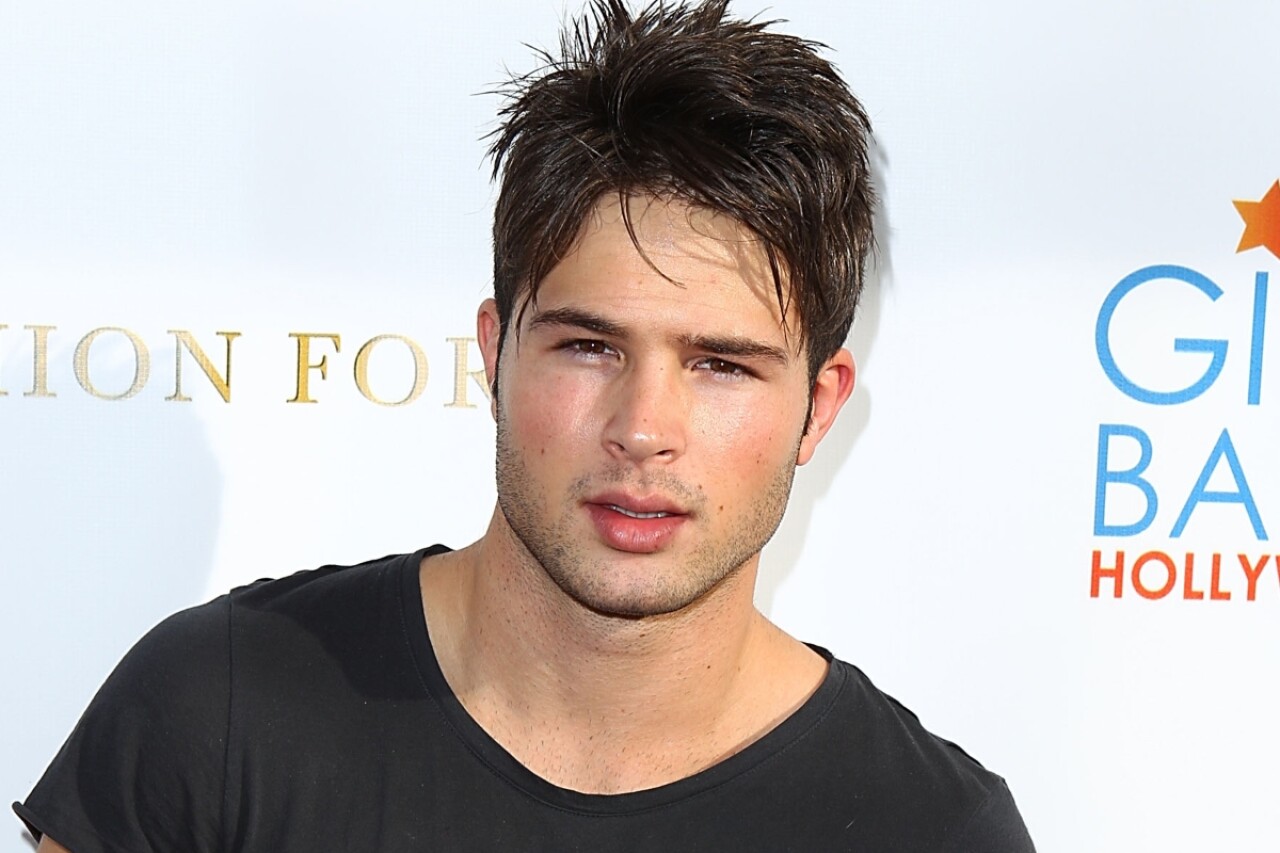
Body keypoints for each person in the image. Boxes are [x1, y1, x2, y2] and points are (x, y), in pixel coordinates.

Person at [16, 1, 1036, 850]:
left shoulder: (931, 829)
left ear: (818, 406)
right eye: (589, 346)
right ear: (494, 352)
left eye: (721, 364)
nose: (643, 428)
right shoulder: (220, 712)